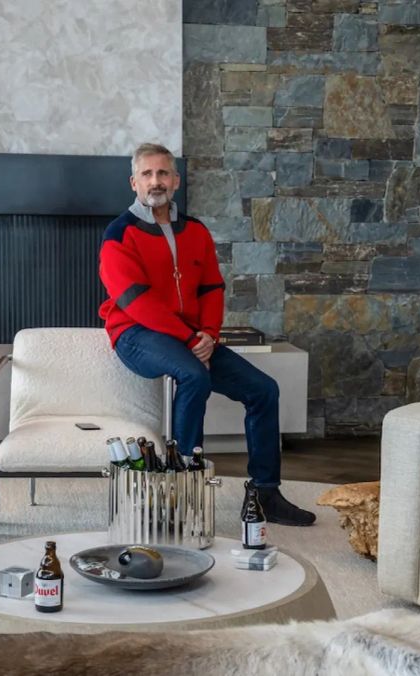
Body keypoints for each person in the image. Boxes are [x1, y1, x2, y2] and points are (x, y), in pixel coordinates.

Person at [99, 143, 315, 526]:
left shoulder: (196, 231)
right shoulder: (119, 234)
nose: (155, 181)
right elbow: (135, 301)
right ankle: (180, 491)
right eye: (147, 174)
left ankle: (265, 493)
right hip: (136, 333)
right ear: (134, 182)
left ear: (176, 181)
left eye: (163, 173)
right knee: (194, 375)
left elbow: (212, 288)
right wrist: (189, 339)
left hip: (193, 338)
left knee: (264, 391)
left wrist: (209, 335)